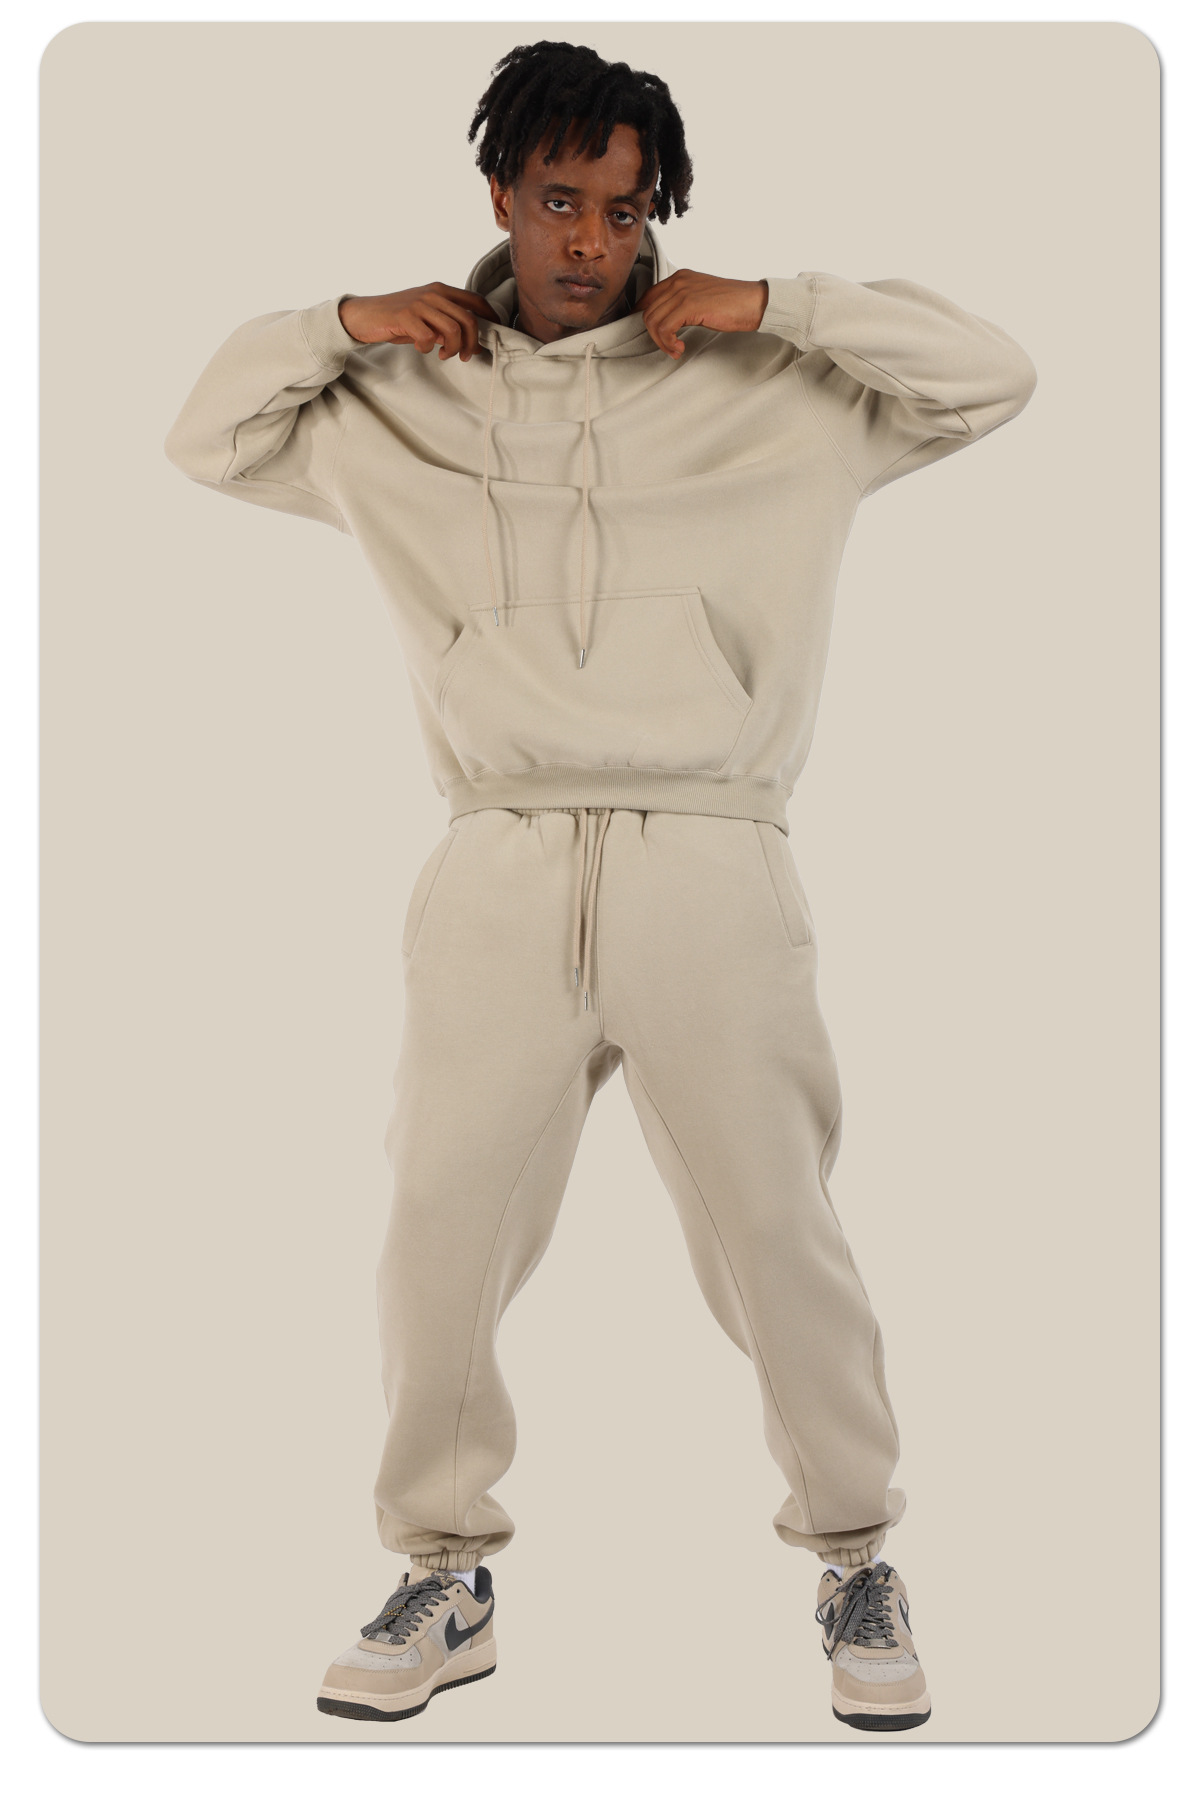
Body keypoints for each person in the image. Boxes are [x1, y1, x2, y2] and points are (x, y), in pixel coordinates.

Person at [164, 38, 1036, 1734]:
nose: (589, 241)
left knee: (775, 1231)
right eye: (560, 200)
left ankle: (856, 1554)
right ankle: (444, 1572)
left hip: (712, 850)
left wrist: (782, 302)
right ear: (501, 194)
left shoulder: (775, 381)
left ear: (659, 219)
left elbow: (990, 376)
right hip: (495, 855)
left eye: (625, 212)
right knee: (438, 1235)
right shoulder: (397, 401)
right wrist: (340, 322)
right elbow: (205, 433)